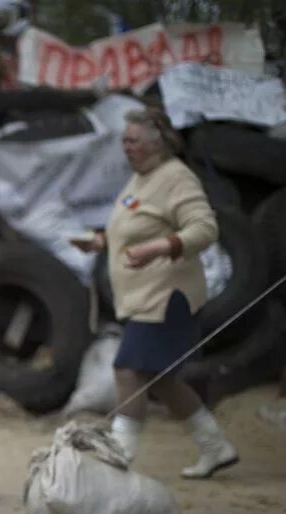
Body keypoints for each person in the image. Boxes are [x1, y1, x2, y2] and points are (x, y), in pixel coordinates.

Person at [71, 107, 238, 479]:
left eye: (132, 141)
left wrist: (161, 248)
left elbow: (205, 228)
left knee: (127, 369)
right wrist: (101, 241)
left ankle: (119, 455)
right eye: (123, 141)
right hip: (142, 298)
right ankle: (215, 446)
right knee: (161, 378)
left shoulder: (176, 178)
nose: (125, 147)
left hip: (167, 297)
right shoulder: (141, 179)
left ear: (156, 143)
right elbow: (134, 228)